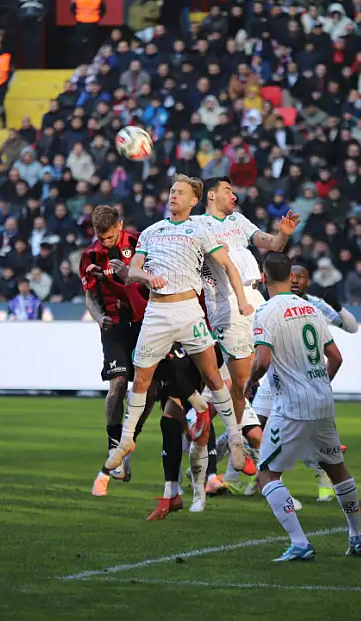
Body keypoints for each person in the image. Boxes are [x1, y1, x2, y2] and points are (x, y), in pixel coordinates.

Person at [98, 175, 253, 482]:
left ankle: (235, 439)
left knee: (211, 375)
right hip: (156, 312)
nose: (173, 196)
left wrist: (242, 302)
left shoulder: (201, 229)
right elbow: (133, 271)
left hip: (188, 311)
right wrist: (146, 278)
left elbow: (229, 266)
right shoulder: (152, 232)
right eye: (171, 191)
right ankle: (125, 442)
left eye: (180, 192)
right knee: (141, 381)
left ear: (194, 200)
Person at [250, 253, 361, 562]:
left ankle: (300, 543)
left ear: (264, 278)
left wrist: (248, 383)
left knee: (266, 475)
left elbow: (261, 360)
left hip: (291, 405)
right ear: (291, 276)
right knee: (336, 468)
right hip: (323, 400)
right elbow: (337, 357)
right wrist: (319, 385)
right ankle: (357, 536)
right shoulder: (312, 310)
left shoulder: (265, 312)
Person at [196, 176, 299, 493]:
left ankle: (222, 442)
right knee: (243, 383)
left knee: (254, 378)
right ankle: (242, 444)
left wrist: (282, 234)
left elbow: (272, 245)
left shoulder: (238, 221)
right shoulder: (198, 226)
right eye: (228, 189)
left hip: (258, 297)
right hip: (228, 304)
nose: (234, 193)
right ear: (211, 195)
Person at [230, 263, 358, 503]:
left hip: (297, 379)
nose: (297, 280)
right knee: (254, 426)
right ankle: (248, 478)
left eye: (301, 277)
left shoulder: (314, 305)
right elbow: (336, 357)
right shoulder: (273, 303)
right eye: (294, 276)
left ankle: (315, 482)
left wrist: (339, 308)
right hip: (277, 380)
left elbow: (351, 327)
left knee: (290, 433)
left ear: (307, 281)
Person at [82, 205, 158, 491]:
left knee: (150, 388)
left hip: (146, 322)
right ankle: (114, 445)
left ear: (120, 226)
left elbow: (154, 279)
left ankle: (129, 440)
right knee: (117, 385)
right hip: (113, 325)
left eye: (111, 238)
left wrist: (129, 276)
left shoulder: (142, 243)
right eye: (101, 238)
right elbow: (90, 295)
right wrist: (98, 316)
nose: (106, 243)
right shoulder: (89, 256)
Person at [147, 343, 221, 519]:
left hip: (210, 374)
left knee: (201, 431)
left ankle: (199, 493)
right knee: (169, 421)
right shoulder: (163, 358)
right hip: (185, 374)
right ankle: (171, 493)